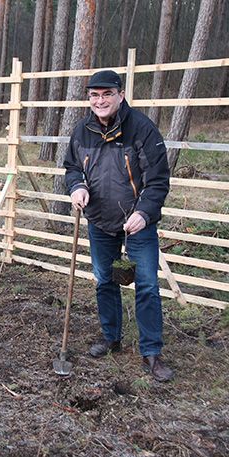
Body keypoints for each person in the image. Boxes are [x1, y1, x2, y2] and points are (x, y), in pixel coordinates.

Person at [64, 70, 174, 382]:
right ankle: (111, 338)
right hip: (99, 220)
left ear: (120, 95)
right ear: (89, 98)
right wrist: (76, 188)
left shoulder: (142, 129)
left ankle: (151, 352)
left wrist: (145, 212)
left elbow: (157, 180)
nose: (100, 101)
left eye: (107, 94)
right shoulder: (82, 131)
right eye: (94, 95)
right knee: (104, 280)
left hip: (137, 222)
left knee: (148, 286)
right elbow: (72, 167)